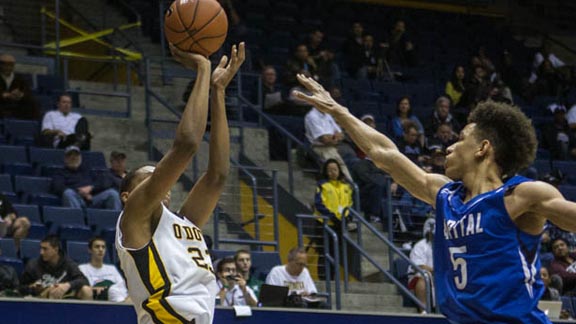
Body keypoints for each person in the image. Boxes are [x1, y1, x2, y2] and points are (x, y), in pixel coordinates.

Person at [293, 73, 576, 323]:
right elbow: (386, 155)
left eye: (461, 139)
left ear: (483, 148)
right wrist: (339, 111)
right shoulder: (445, 196)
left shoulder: (521, 196)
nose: (449, 147)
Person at [115, 42, 244, 324]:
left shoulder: (184, 223)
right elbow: (186, 145)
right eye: (150, 177)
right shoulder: (133, 217)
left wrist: (218, 92)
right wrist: (203, 68)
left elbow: (218, 175)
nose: (162, 179)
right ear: (127, 196)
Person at [313, 159, 354, 279]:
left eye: (335, 169)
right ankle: (324, 278)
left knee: (336, 253)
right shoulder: (322, 185)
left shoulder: (346, 187)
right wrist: (332, 216)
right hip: (325, 224)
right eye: (329, 170)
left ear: (339, 170)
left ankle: (333, 277)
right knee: (324, 252)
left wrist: (347, 217)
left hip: (340, 224)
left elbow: (350, 204)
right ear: (326, 171)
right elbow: (319, 204)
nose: (333, 172)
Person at [20, 235, 92, 300]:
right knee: (54, 291)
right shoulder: (33, 265)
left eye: (45, 249)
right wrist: (32, 288)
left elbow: (84, 280)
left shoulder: (68, 263)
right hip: (40, 300)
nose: (41, 252)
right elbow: (20, 288)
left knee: (86, 290)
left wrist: (67, 285)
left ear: (56, 249)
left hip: (65, 298)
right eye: (41, 248)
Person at [52, 146, 122, 210]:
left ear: (80, 158)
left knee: (112, 193)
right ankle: (77, 221)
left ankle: (116, 222)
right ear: (65, 159)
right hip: (75, 199)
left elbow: (101, 183)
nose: (73, 158)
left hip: (92, 199)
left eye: (76, 156)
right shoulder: (60, 173)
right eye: (70, 156)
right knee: (68, 193)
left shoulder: (88, 170)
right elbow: (58, 187)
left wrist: (91, 188)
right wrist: (80, 192)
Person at [79, 237, 129, 302]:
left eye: (103, 247)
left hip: (115, 296)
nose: (100, 249)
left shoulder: (112, 269)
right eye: (97, 247)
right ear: (90, 250)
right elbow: (83, 289)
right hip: (96, 298)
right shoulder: (82, 268)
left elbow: (121, 285)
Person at [407, 218, 435, 313]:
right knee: (424, 279)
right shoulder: (420, 245)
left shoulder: (443, 246)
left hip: (437, 275)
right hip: (418, 276)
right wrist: (436, 271)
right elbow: (420, 266)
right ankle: (424, 311)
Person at [0, 54, 40, 120]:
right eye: (5, 64)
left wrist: (21, 95)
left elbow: (27, 92)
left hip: (16, 103)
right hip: (2, 102)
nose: (8, 67)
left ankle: (30, 126)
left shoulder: (20, 78)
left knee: (33, 102)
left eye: (10, 65)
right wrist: (4, 95)